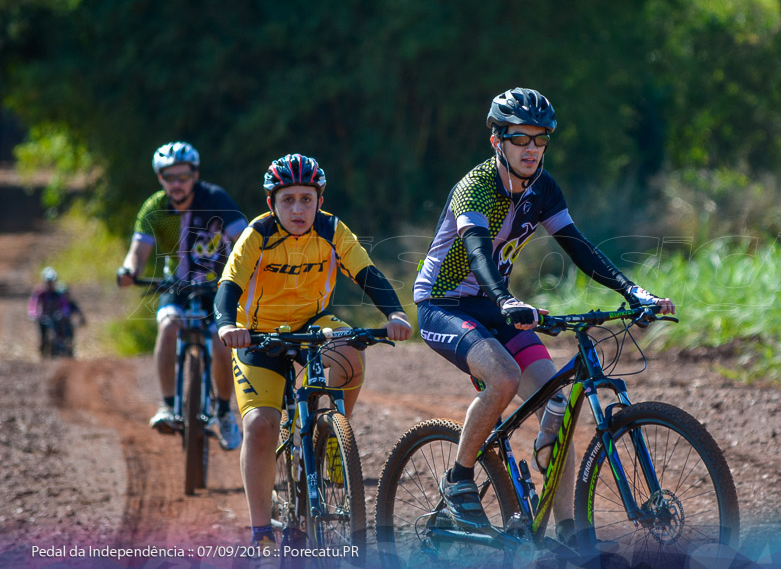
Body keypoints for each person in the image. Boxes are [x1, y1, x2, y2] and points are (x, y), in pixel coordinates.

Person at [413, 87, 675, 540]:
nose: (532, 149)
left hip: (497, 304)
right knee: (504, 377)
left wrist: (634, 291)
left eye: (541, 139)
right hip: (444, 303)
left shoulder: (543, 187)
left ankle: (570, 532)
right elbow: (477, 253)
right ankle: (458, 480)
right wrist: (507, 300)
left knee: (559, 405)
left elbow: (578, 247)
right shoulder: (475, 187)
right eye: (521, 139)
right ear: (497, 140)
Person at [215, 153, 412, 553]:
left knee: (351, 352)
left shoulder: (333, 230)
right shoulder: (258, 233)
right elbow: (229, 284)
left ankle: (334, 441)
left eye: (306, 199)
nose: (298, 209)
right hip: (256, 336)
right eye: (288, 200)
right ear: (272, 203)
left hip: (313, 323)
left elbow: (367, 272)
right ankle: (261, 534)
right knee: (261, 426)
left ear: (319, 200)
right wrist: (226, 325)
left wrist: (393, 312)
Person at [117, 141, 246, 450]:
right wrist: (129, 270)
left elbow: (243, 241)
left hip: (217, 287)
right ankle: (167, 405)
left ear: (195, 175)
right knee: (168, 326)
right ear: (160, 178)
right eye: (168, 177)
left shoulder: (215, 198)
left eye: (183, 177)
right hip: (175, 286)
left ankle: (225, 413)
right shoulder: (155, 207)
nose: (176, 184)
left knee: (219, 342)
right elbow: (138, 252)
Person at [28, 267, 85, 356]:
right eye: (48, 281)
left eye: (52, 281)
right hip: (43, 317)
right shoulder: (40, 293)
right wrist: (33, 313)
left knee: (61, 334)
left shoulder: (58, 293)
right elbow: (33, 303)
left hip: (56, 317)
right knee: (43, 336)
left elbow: (64, 304)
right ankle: (43, 350)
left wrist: (65, 313)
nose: (50, 284)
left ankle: (62, 350)